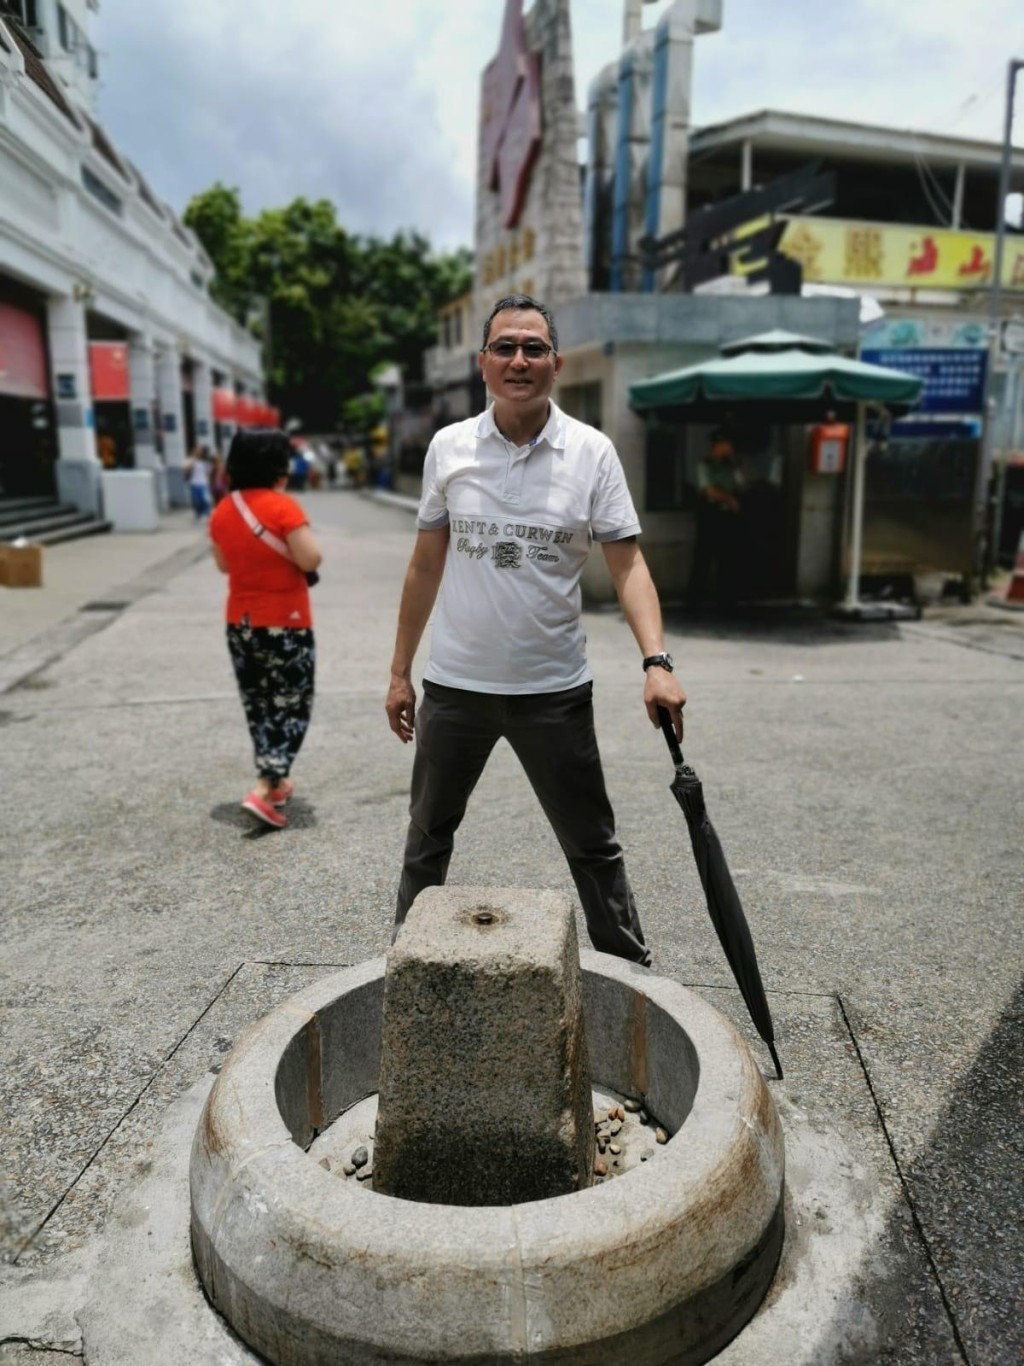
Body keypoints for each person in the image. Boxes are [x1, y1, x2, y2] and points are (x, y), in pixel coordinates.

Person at [385, 293, 686, 964]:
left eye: (534, 348)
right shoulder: (449, 448)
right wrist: (400, 671)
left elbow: (628, 562)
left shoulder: (592, 453)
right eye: (506, 348)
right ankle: (403, 966)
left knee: (594, 845)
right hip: (456, 688)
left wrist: (656, 661)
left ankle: (628, 975)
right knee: (427, 836)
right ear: (482, 362)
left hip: (553, 691)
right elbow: (425, 563)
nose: (519, 360)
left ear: (555, 363)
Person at [209, 428, 322, 829]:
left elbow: (224, 565)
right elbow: (310, 558)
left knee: (258, 703)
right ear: (279, 467)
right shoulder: (283, 508)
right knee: (291, 703)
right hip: (286, 623)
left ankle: (274, 781)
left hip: (240, 624)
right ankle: (263, 787)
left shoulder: (223, 510)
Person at [688, 428, 743, 609]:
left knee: (727, 558)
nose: (729, 448)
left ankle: (725, 600)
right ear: (717, 446)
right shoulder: (706, 465)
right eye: (726, 445)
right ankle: (695, 600)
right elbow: (708, 489)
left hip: (727, 517)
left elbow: (740, 485)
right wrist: (729, 499)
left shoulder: (730, 466)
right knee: (703, 557)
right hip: (710, 515)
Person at [186, 445, 213, 520]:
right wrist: (193, 460)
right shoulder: (192, 460)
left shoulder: (206, 462)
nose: (198, 452)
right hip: (194, 483)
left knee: (205, 499)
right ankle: (198, 514)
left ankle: (206, 513)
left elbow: (209, 472)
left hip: (203, 483)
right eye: (197, 450)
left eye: (200, 450)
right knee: (196, 500)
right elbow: (187, 470)